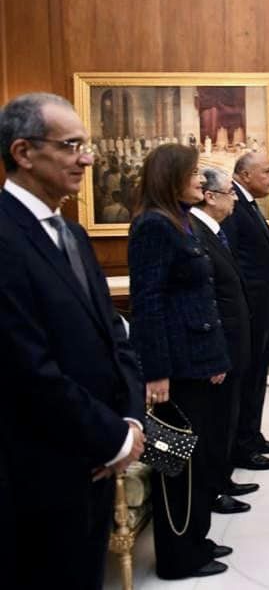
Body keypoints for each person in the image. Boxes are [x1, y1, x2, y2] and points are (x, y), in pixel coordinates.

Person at [0, 93, 145, 589]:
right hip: (41, 468)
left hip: (96, 461)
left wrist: (130, 421)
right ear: (24, 152)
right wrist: (111, 437)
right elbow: (27, 368)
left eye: (87, 146)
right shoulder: (6, 236)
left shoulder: (73, 234)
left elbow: (113, 335)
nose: (87, 159)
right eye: (71, 146)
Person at [128, 143, 231, 579]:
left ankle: (196, 540)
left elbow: (200, 298)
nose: (200, 181)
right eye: (192, 174)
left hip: (198, 360)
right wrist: (156, 372)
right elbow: (148, 303)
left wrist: (216, 357)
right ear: (171, 178)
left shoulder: (181, 221)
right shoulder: (153, 225)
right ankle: (177, 558)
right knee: (178, 465)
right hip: (176, 368)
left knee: (199, 458)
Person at [190, 167, 259, 515]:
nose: (234, 199)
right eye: (231, 192)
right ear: (210, 197)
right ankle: (215, 488)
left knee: (228, 416)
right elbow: (208, 298)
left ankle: (223, 479)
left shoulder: (214, 231)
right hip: (221, 345)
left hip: (234, 341)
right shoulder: (196, 232)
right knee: (217, 421)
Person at [221, 151, 269, 470]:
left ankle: (253, 436)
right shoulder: (232, 206)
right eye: (267, 171)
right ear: (245, 175)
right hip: (247, 314)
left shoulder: (248, 203)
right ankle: (242, 448)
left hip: (259, 313)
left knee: (258, 378)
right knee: (246, 382)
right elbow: (232, 263)